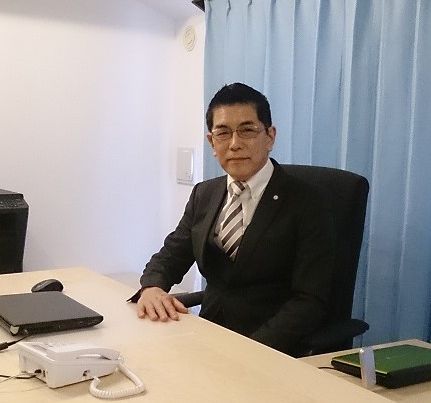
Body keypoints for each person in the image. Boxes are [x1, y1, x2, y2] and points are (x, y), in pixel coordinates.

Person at [130, 82, 336, 356]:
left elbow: (309, 301)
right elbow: (172, 254)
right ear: (212, 143)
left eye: (247, 130)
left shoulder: (308, 201)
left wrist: (249, 350)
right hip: (208, 336)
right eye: (223, 133)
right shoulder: (205, 194)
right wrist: (152, 287)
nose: (235, 144)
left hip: (272, 348)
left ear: (270, 137)